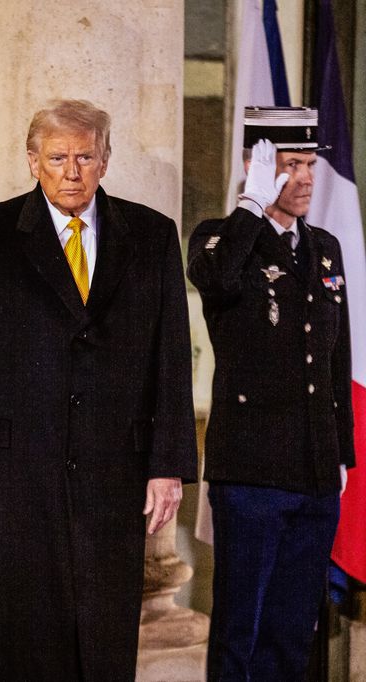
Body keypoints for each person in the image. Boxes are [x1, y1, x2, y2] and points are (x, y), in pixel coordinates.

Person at [0, 99, 197, 680]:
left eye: (85, 157)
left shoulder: (151, 235)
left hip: (112, 475)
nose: (72, 172)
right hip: (8, 474)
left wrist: (168, 465)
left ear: (106, 160)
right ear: (33, 161)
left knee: (98, 644)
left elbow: (171, 360)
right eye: (57, 158)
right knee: (12, 645)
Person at [188, 106, 354, 680]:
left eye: (310, 163)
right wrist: (251, 207)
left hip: (314, 472)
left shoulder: (325, 247)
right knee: (241, 629)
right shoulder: (219, 239)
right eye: (290, 165)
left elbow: (338, 358)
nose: (305, 177)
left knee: (292, 629)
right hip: (252, 473)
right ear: (256, 167)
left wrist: (343, 456)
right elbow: (219, 281)